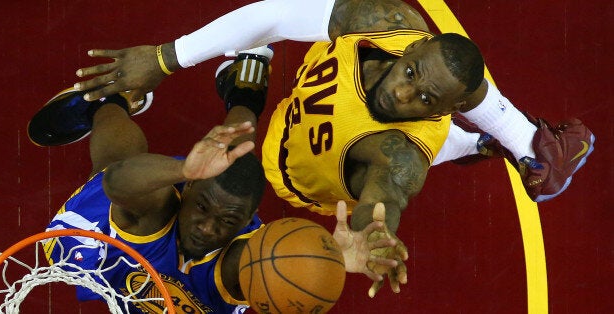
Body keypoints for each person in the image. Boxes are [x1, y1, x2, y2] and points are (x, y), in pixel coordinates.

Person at [71, 0, 594, 296]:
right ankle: (523, 143)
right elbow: (275, 14)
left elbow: (383, 198)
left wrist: (371, 235)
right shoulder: (381, 22)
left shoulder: (400, 156)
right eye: (410, 73)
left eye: (426, 98)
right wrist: (165, 59)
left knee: (436, 149)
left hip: (311, 178)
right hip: (299, 115)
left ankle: (491, 141)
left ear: (438, 108)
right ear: (407, 44)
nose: (402, 93)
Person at [29, 63, 398, 311]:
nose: (207, 228)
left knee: (238, 150)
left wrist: (331, 257)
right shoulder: (159, 206)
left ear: (249, 223)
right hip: (121, 238)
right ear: (187, 192)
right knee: (115, 168)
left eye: (227, 221)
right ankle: (109, 102)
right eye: (202, 209)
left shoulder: (246, 266)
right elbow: (117, 183)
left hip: (172, 275)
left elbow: (288, 269)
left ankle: (243, 92)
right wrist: (182, 170)